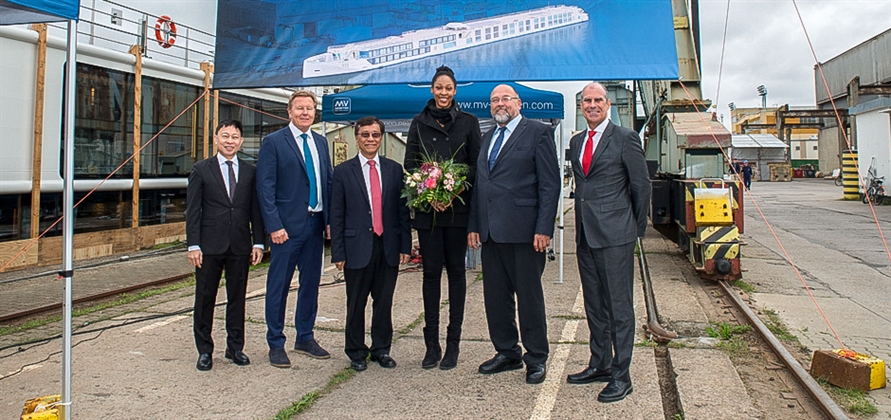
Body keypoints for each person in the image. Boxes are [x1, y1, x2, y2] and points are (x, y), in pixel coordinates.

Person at [467, 84, 560, 385]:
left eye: (505, 98)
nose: (499, 104)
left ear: (519, 103)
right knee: (496, 297)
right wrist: (474, 225)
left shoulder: (537, 133)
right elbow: (481, 186)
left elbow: (550, 184)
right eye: (494, 100)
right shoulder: (488, 138)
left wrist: (544, 228)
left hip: (525, 234)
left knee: (529, 298)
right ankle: (507, 352)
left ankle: (536, 357)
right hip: (492, 234)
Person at [567, 82, 651, 403]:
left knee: (619, 308)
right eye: (586, 100)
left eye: (597, 100)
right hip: (586, 236)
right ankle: (600, 364)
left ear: (608, 105)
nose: (592, 105)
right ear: (581, 106)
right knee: (594, 306)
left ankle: (621, 375)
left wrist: (633, 227)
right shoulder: (577, 143)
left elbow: (640, 187)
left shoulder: (625, 138)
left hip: (616, 235)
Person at [404, 65, 481, 370]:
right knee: (431, 275)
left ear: (455, 90)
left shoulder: (469, 122)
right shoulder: (419, 123)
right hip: (429, 215)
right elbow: (411, 164)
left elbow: (475, 166)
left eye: (448, 88)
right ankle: (431, 345)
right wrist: (429, 194)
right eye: (439, 87)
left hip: (458, 213)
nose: (444, 93)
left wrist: (453, 190)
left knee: (457, 275)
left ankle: (453, 345)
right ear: (432, 90)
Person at [257, 90, 334, 368]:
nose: (305, 113)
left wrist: (329, 221)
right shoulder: (274, 142)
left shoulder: (321, 143)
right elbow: (265, 188)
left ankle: (305, 336)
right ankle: (276, 342)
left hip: (315, 226)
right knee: (278, 286)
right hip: (286, 230)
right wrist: (274, 226)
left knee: (310, 285)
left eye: (309, 108)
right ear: (289, 112)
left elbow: (327, 183)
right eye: (299, 108)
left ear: (315, 113)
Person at [330, 116, 412, 371]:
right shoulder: (343, 172)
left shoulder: (394, 169)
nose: (370, 139)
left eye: (375, 135)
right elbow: (337, 214)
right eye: (365, 135)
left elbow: (402, 212)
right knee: (356, 303)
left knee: (384, 302)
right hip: (356, 249)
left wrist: (405, 246)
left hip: (387, 246)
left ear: (381, 138)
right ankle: (355, 351)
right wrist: (338, 252)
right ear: (357, 138)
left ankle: (381, 349)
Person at [186, 119, 265, 371]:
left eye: (235, 137)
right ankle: (205, 350)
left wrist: (259, 242)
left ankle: (235, 347)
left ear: (241, 141)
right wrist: (193, 245)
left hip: (240, 245)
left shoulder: (251, 171)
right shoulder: (201, 169)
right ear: (216, 139)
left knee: (237, 298)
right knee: (205, 297)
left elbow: (256, 209)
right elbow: (193, 211)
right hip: (208, 246)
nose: (230, 141)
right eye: (225, 136)